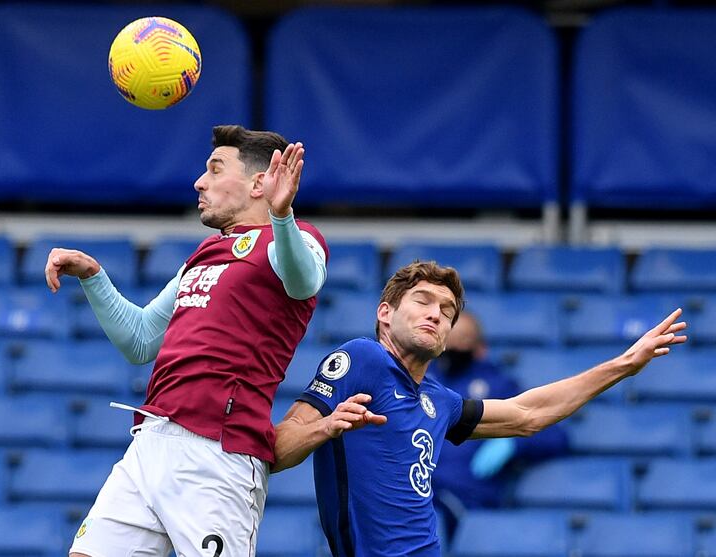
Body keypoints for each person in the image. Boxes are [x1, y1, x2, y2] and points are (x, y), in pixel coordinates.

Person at [44, 125, 329, 557]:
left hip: (217, 455)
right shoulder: (204, 253)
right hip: (150, 442)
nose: (200, 181)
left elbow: (302, 279)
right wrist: (93, 276)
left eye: (215, 169)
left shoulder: (296, 238)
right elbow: (139, 340)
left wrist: (282, 214)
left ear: (259, 182)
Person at [273, 261, 686, 557]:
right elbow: (278, 449)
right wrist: (325, 428)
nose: (436, 313)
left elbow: (528, 416)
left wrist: (624, 366)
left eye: (447, 311)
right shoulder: (362, 359)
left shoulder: (440, 402)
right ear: (385, 313)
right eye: (422, 301)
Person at [428, 311, 569, 543]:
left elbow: (554, 434)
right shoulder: (422, 378)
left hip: (463, 499)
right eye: (446, 338)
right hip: (414, 490)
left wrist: (513, 443)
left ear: (480, 348)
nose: (451, 346)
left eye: (462, 339)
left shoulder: (499, 385)